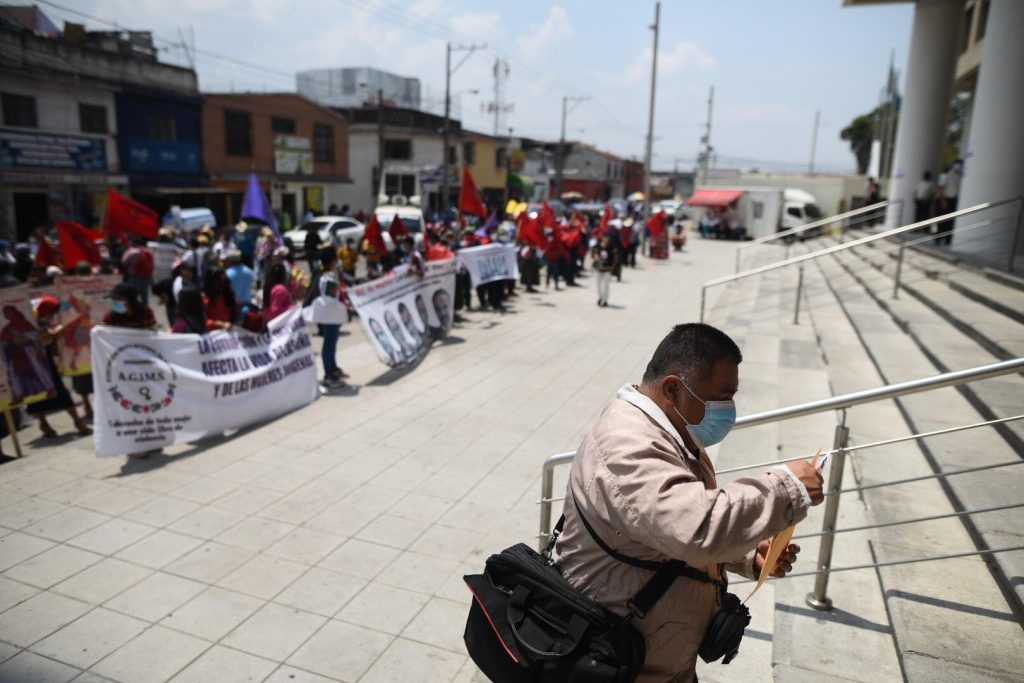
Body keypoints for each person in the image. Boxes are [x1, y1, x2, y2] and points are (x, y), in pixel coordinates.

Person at [553, 323, 824, 682]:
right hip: (613, 662)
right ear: (672, 389)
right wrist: (788, 488)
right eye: (721, 397)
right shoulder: (627, 444)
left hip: (657, 660)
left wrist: (746, 554)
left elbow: (663, 526)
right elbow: (696, 527)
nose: (728, 410)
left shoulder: (670, 431)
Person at [29, 297, 91, 438]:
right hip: (32, 364)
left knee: (61, 392)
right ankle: (44, 423)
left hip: (47, 362)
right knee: (36, 397)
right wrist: (52, 334)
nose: (53, 315)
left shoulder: (45, 320)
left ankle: (77, 422)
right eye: (51, 311)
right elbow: (38, 339)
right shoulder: (32, 321)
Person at [307, 248, 347, 387]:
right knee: (329, 344)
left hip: (332, 316)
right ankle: (328, 375)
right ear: (332, 261)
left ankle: (333, 368)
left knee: (332, 342)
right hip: (329, 316)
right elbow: (330, 298)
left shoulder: (329, 275)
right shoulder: (327, 277)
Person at [121, 236, 155, 307]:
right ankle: (145, 311)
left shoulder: (131, 251)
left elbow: (123, 261)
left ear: (133, 243)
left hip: (135, 277)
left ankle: (134, 313)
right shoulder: (148, 251)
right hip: (147, 277)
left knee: (133, 296)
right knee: (144, 295)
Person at [936, 160, 962, 246]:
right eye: (957, 164)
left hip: (955, 200)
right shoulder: (946, 175)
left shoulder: (960, 175)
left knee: (951, 222)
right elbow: (941, 188)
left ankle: (947, 240)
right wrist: (943, 201)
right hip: (946, 200)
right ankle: (938, 239)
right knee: (942, 221)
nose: (958, 166)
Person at [592, 232, 618, 307]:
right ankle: (601, 297)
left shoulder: (612, 247)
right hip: (599, 269)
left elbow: (615, 258)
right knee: (598, 286)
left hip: (607, 269)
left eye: (607, 238)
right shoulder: (598, 246)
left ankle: (604, 301)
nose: (606, 239)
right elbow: (594, 253)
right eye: (605, 237)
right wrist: (596, 256)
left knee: (605, 286)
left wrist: (613, 267)